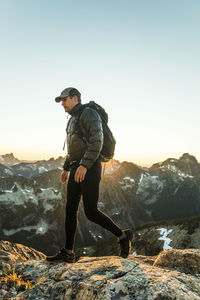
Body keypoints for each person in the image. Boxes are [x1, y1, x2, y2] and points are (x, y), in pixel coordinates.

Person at [45, 87, 133, 263]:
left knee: (91, 211)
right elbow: (73, 148)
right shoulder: (71, 120)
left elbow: (97, 141)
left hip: (90, 167)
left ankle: (123, 236)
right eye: (60, 100)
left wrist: (85, 165)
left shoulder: (89, 113)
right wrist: (66, 168)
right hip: (77, 167)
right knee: (70, 209)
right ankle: (68, 252)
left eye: (64, 99)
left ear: (75, 98)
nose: (62, 103)